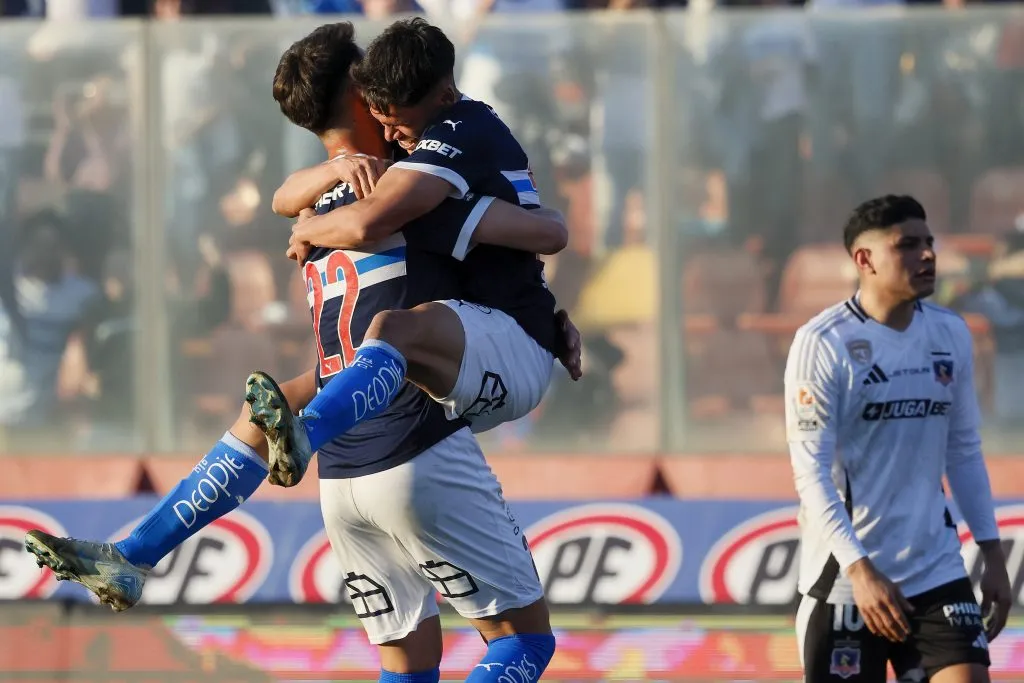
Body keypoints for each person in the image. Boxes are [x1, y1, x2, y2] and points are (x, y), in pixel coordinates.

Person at [27, 22, 562, 683]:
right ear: (363, 95)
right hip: (414, 448)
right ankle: (249, 469)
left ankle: (138, 549)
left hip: (342, 481)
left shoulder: (311, 195)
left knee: (408, 665)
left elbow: (290, 203)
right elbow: (537, 232)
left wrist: (308, 209)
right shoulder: (405, 184)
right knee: (521, 644)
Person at [248, 18, 577, 495]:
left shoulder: (436, 158)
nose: (392, 129)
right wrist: (325, 186)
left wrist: (309, 228)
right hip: (456, 355)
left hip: (505, 349)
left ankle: (308, 433)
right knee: (275, 402)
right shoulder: (373, 175)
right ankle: (140, 549)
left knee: (392, 330)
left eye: (395, 117)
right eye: (379, 113)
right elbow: (283, 197)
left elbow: (551, 231)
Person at [784, 194, 1012, 683]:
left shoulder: (950, 333)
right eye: (908, 245)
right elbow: (812, 472)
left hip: (937, 571)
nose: (927, 255)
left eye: (929, 243)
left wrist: (992, 551)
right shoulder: (823, 343)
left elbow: (963, 450)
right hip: (847, 579)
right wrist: (860, 571)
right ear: (864, 260)